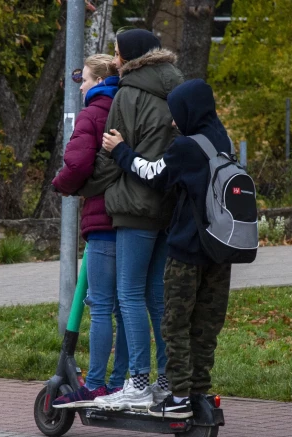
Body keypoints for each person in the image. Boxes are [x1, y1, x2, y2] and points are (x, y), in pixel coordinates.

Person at [101, 78, 233, 418]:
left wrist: (120, 151)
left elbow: (154, 174)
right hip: (220, 249)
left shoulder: (186, 147)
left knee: (175, 323)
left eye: (176, 114)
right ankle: (200, 391)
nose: (173, 122)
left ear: (190, 111)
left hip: (188, 249)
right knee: (206, 325)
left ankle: (178, 396)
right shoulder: (222, 140)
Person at [78, 29, 185, 411]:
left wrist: (83, 186)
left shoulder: (128, 93)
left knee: (129, 295)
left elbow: (110, 156)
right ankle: (166, 381)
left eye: (119, 55)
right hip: (167, 207)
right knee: (157, 297)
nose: (116, 61)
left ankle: (137, 382)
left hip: (133, 207)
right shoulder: (176, 90)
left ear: (133, 57)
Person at [50, 54, 129, 408]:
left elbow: (79, 162)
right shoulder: (129, 108)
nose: (80, 86)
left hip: (103, 218)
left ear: (98, 81)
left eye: (83, 79)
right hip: (135, 220)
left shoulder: (93, 113)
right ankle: (121, 381)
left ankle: (96, 384)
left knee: (100, 306)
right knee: (127, 307)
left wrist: (62, 184)